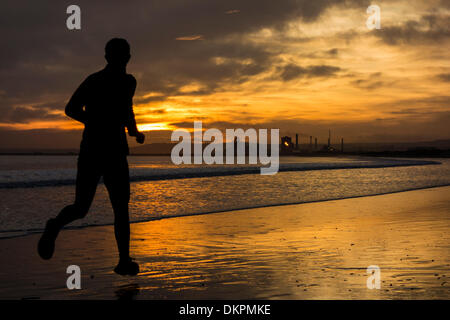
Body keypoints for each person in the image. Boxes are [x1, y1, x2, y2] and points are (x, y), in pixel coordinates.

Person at [38, 38, 145, 276]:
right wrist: (95, 122)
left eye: (123, 55)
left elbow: (127, 110)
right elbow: (71, 109)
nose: (121, 59)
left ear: (127, 57)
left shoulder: (129, 82)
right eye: (119, 55)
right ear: (111, 57)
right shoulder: (94, 81)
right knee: (83, 207)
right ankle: (54, 225)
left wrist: (134, 131)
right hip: (94, 151)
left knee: (119, 207)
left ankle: (124, 260)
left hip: (114, 151)